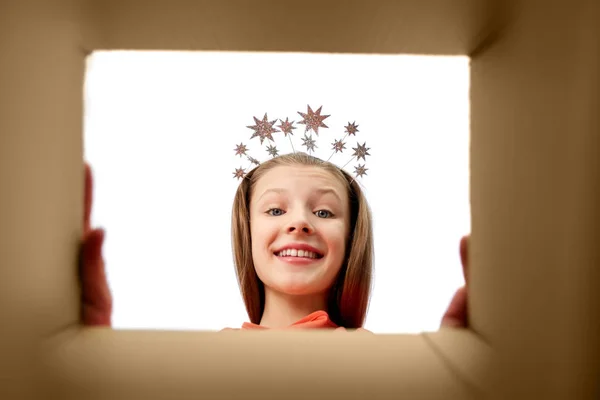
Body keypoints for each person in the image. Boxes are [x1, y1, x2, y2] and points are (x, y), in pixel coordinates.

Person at [80, 153, 470, 330]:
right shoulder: (208, 362)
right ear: (247, 234)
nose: (299, 222)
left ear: (352, 240)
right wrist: (94, 352)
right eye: (275, 210)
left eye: (323, 212)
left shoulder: (380, 362)